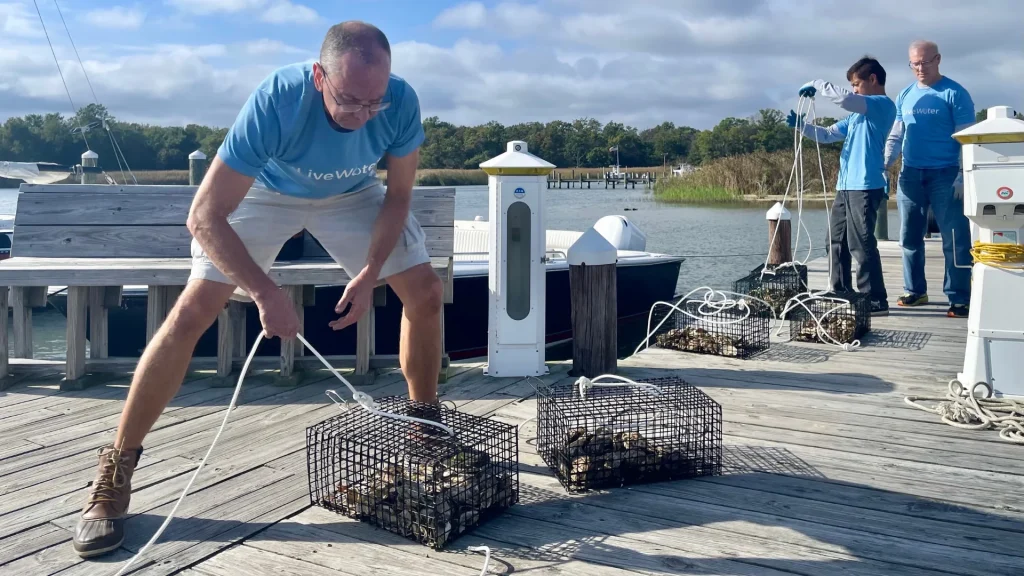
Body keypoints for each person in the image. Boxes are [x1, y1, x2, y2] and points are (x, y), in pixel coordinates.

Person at [72, 21, 444, 558]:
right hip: (267, 190)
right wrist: (267, 293)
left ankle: (424, 427)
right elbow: (203, 216)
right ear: (319, 77)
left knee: (426, 291)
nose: (363, 114)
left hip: (353, 195)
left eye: (374, 103)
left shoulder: (400, 102)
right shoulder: (278, 101)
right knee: (193, 310)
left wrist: (368, 273)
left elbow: (397, 198)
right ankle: (115, 471)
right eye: (350, 100)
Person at [787, 56, 897, 315]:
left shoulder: (881, 105)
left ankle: (875, 299)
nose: (855, 89)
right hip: (845, 187)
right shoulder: (856, 118)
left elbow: (847, 99)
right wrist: (801, 126)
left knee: (861, 242)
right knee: (835, 240)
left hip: (866, 186)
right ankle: (840, 291)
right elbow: (826, 135)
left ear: (872, 80)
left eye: (857, 84)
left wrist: (817, 83)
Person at [883, 39, 975, 317]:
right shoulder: (905, 95)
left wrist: (962, 174)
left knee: (955, 238)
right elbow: (896, 135)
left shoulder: (955, 93)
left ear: (937, 59)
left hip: (946, 174)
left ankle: (959, 297)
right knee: (909, 236)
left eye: (925, 61)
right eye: (914, 63)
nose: (920, 68)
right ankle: (915, 291)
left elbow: (967, 140)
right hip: (910, 174)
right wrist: (884, 165)